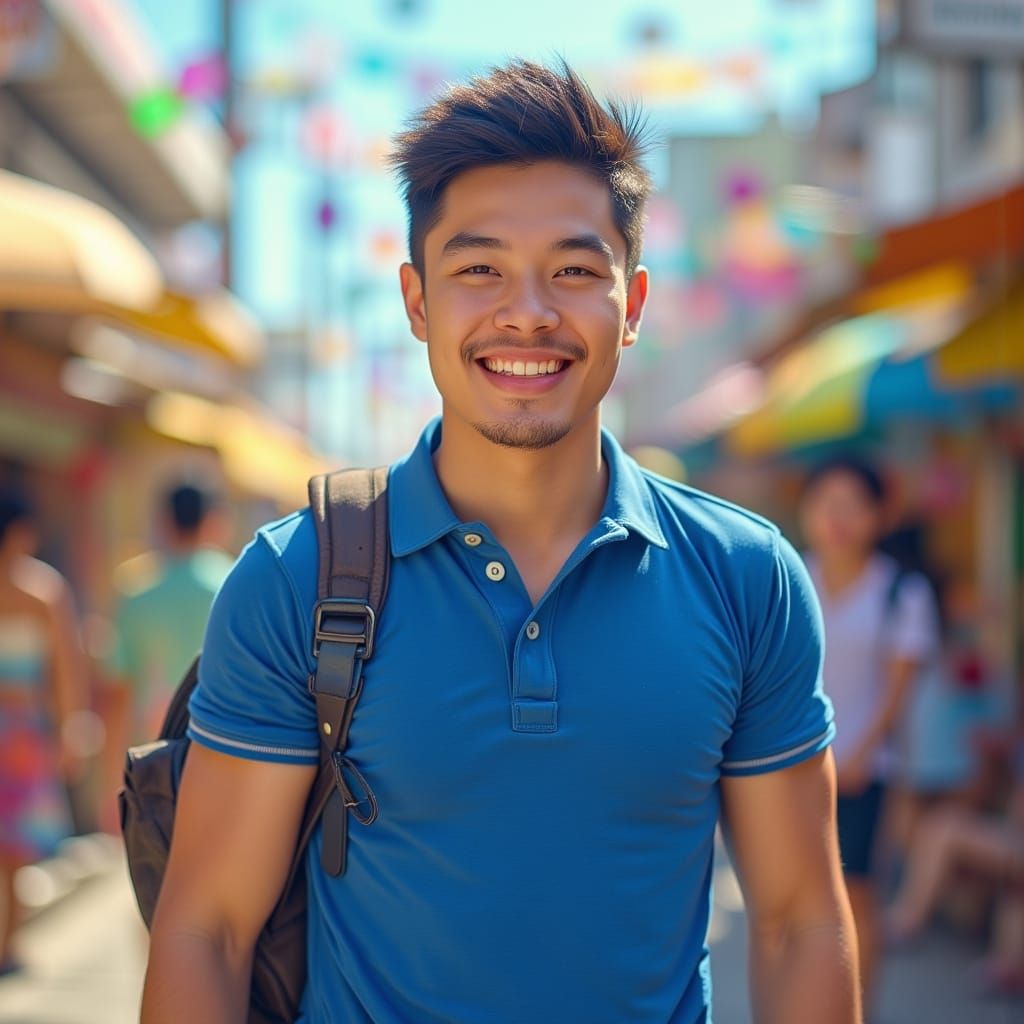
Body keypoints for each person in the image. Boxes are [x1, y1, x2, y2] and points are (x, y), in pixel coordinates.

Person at [143, 61, 859, 1024]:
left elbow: (800, 920)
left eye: (573, 270)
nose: (527, 312)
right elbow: (207, 930)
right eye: (478, 268)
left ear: (633, 305)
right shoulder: (297, 578)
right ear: (416, 302)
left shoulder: (745, 578)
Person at [799, 456, 942, 1010]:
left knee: (857, 899)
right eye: (825, 503)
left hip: (865, 772)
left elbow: (898, 694)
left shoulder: (901, 592)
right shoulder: (787, 578)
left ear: (878, 516)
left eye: (853, 506)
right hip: (794, 771)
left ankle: (858, 1010)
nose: (837, 518)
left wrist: (855, 756)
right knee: (796, 901)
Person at [101, 482, 232, 827]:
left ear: (165, 522)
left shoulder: (136, 591)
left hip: (153, 753)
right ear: (211, 521)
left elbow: (119, 689)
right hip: (221, 746)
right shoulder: (231, 583)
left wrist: (111, 784)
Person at [0, 486, 85, 974]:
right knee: (16, 844)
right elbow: (65, 670)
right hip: (24, 731)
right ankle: (8, 944)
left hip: (17, 730)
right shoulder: (42, 589)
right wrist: (70, 728)